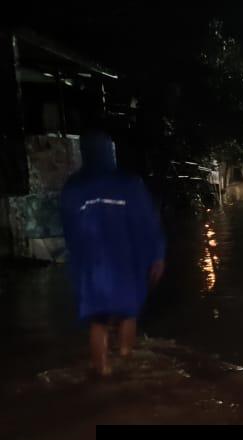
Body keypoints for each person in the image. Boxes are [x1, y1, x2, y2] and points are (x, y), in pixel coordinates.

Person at [61, 129, 166, 377]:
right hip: (125, 262)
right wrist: (157, 255)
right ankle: (126, 359)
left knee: (98, 321)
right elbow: (148, 223)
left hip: (91, 266)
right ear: (112, 153)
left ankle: (102, 371)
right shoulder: (129, 184)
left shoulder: (73, 187)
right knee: (127, 313)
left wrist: (76, 266)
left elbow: (69, 230)